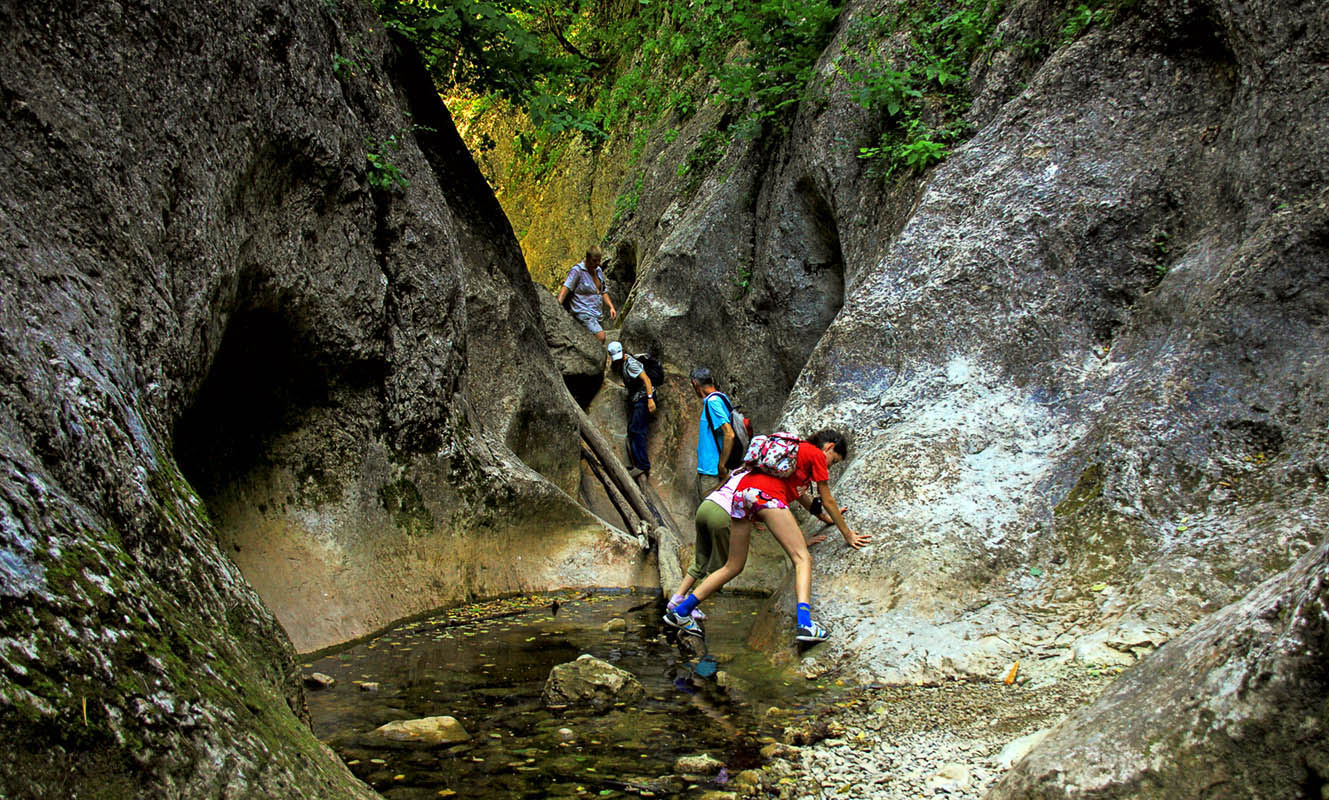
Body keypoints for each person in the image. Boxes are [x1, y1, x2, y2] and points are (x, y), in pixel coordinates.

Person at [664, 429, 870, 643]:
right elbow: (827, 499)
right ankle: (806, 625)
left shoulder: (793, 460)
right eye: (833, 461)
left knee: (733, 566)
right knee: (803, 558)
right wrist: (847, 534)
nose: (829, 466)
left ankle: (681, 612)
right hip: (765, 497)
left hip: (741, 494)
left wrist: (827, 520)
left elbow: (805, 498)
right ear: (829, 447)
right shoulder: (816, 454)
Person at [690, 367, 737, 503]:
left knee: (710, 509)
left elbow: (729, 434)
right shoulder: (722, 398)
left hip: (712, 469)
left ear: (695, 384)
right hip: (715, 467)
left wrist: (721, 465)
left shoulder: (713, 402)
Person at [608, 341, 655, 477]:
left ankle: (642, 465)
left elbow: (646, 380)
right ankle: (637, 463)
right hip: (637, 398)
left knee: (637, 430)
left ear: (622, 351)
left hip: (643, 398)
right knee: (632, 430)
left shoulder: (631, 364)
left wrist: (650, 399)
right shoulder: (622, 363)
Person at [556, 245, 617, 344]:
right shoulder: (577, 271)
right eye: (594, 261)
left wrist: (611, 307)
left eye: (599, 260)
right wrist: (556, 307)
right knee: (601, 336)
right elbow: (565, 288)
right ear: (588, 258)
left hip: (596, 313)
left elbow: (603, 291)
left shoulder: (598, 270)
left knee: (594, 341)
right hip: (582, 312)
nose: (597, 263)